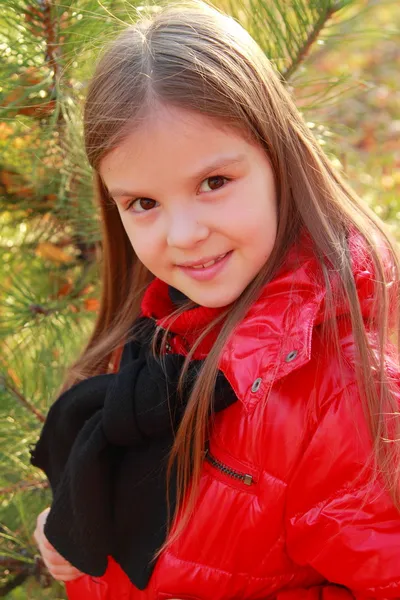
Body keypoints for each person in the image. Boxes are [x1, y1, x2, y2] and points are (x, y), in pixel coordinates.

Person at [31, 1, 400, 599]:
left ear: (279, 160)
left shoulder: (346, 390)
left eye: (214, 183)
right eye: (143, 203)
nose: (182, 236)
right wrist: (69, 526)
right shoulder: (156, 325)